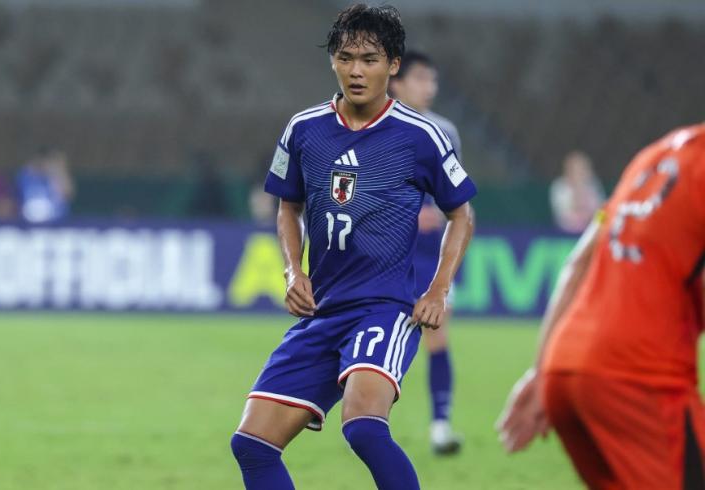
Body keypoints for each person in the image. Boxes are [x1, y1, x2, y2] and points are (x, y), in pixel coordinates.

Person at [230, 5, 477, 490]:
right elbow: (287, 206)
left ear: (393, 65)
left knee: (363, 427)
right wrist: (292, 270)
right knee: (252, 445)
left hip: (384, 307)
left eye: (369, 59)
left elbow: (461, 214)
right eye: (345, 58)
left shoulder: (421, 136)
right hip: (322, 310)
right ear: (333, 62)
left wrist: (438, 288)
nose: (356, 71)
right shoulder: (304, 129)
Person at [497, 124, 705, 489]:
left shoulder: (652, 159)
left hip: (565, 372)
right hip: (640, 381)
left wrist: (542, 371)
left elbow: (577, 263)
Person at [389, 50, 464, 455]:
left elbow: (456, 199)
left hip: (428, 255)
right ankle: (364, 418)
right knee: (375, 336)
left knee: (437, 334)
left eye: (432, 79)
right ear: (396, 82)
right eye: (420, 78)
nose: (429, 87)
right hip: (383, 254)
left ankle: (440, 425)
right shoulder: (374, 125)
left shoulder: (445, 131)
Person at [549, 151, 605, 233]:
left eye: (583, 168)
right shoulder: (559, 187)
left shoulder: (594, 185)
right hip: (565, 233)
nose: (580, 172)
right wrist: (577, 191)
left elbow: (602, 212)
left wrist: (597, 224)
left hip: (591, 232)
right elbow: (562, 217)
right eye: (575, 168)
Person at [16, 148, 75, 223]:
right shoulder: (25, 176)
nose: (42, 163)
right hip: (29, 223)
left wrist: (57, 172)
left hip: (57, 222)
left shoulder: (57, 175)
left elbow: (68, 194)